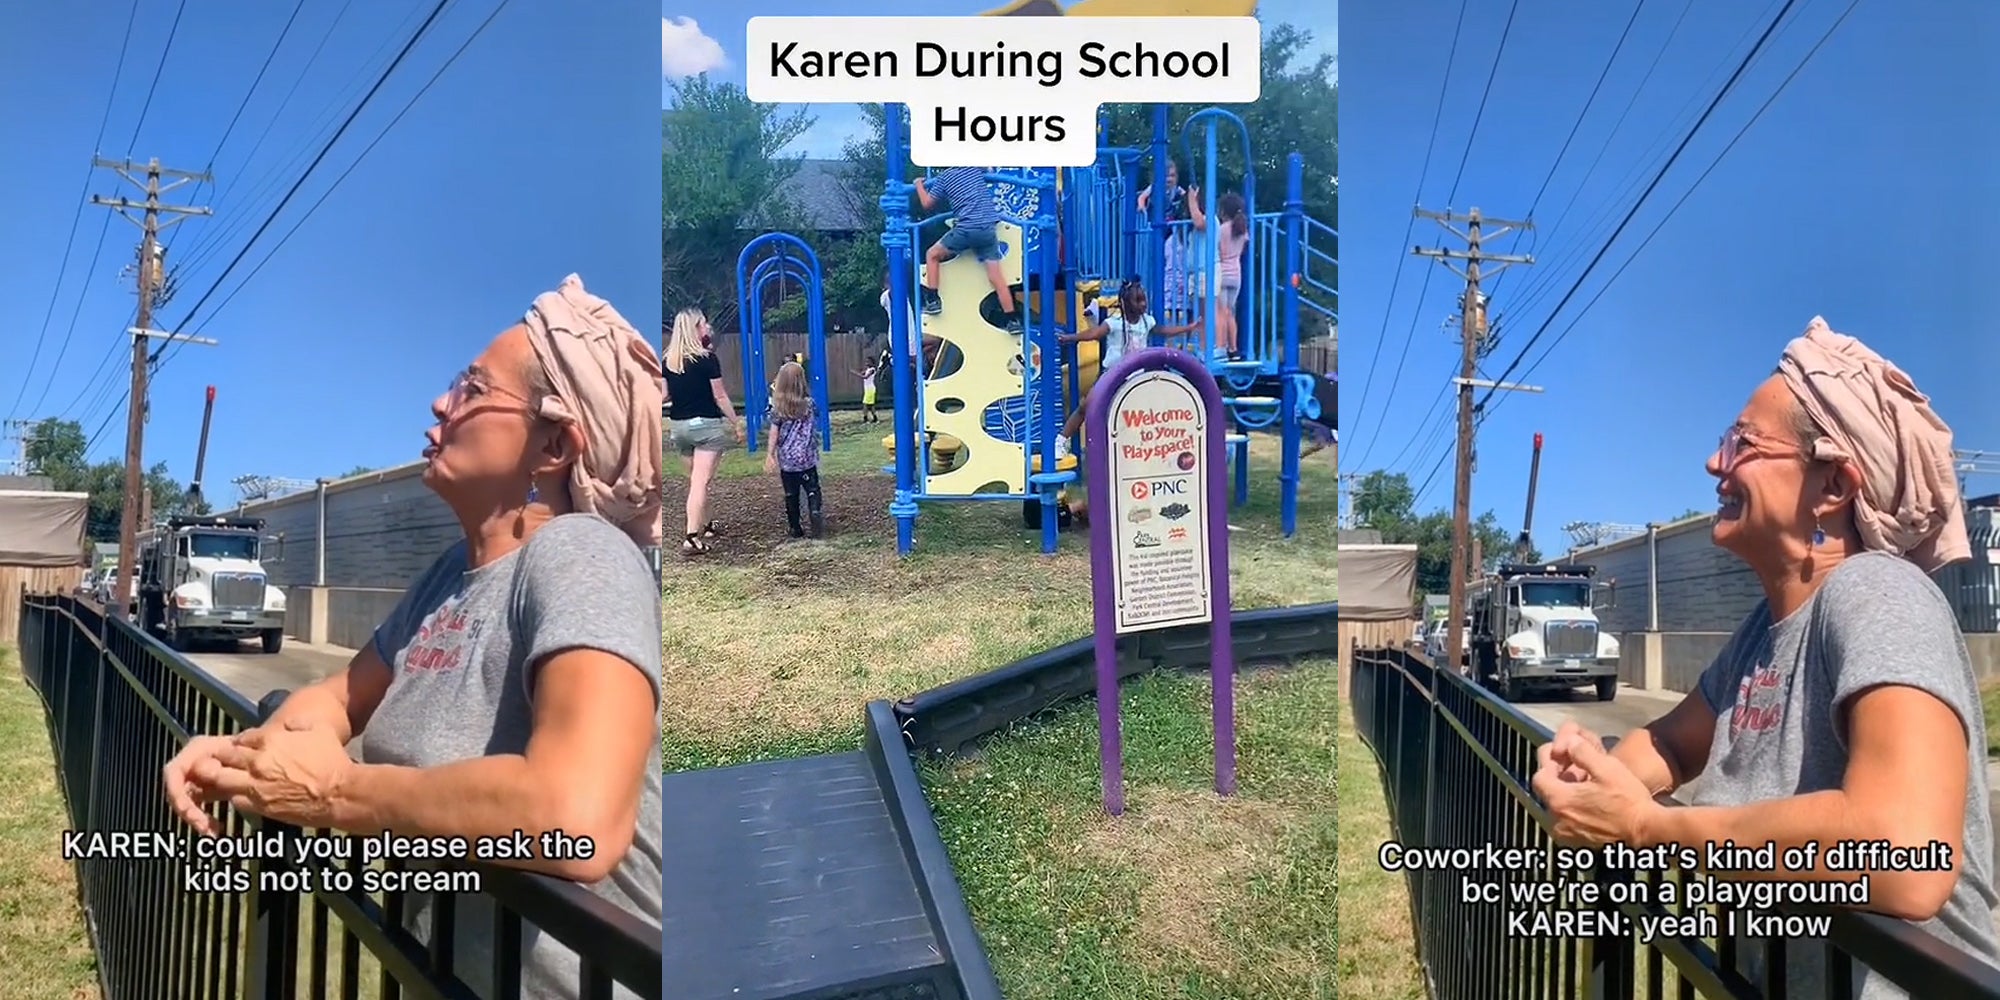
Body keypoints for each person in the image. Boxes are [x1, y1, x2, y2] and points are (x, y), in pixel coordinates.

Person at [160, 274, 665, 1000]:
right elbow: (336, 700)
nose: (440, 401)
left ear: (552, 445)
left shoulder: (585, 556)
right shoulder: (446, 580)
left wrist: (335, 794)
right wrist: (239, 756)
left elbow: (576, 818)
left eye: (471, 388)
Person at [1530, 317, 2000, 999]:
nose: (1715, 463)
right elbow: (1670, 741)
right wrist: (1591, 777)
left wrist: (1644, 826)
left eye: (1742, 443)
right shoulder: (1763, 631)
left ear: (1833, 487)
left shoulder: (1879, 593)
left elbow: (1906, 853)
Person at [1052, 277, 1204, 461]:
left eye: (1143, 299)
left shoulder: (1147, 322)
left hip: (1135, 377)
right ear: (1125, 303)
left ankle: (1147, 450)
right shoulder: (1114, 323)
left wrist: (1189, 327)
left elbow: (1163, 331)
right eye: (1138, 300)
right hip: (1112, 375)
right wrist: (1071, 338)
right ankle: (1061, 440)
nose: (1143, 304)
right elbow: (1094, 334)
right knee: (1086, 405)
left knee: (1141, 413)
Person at [663, 307, 743, 556]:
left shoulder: (668, 360)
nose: (708, 328)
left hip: (679, 428)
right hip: (706, 427)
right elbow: (719, 396)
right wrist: (736, 421)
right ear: (694, 329)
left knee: (697, 482)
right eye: (704, 324)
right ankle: (691, 538)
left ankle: (706, 526)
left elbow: (664, 395)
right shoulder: (707, 359)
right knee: (700, 483)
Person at [916, 167, 1022, 335]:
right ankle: (1013, 319)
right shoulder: (972, 168)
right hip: (988, 230)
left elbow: (927, 204)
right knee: (996, 277)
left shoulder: (944, 178)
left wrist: (919, 185)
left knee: (932, 254)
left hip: (966, 230)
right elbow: (990, 168)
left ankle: (933, 299)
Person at [764, 361, 826, 538]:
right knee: (812, 487)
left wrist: (770, 454)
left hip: (788, 461)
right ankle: (814, 509)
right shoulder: (810, 404)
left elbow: (774, 433)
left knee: (791, 494)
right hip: (807, 457)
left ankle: (795, 526)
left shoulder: (778, 409)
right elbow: (817, 418)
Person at [1192, 191, 1250, 359]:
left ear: (1223, 211)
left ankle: (1221, 346)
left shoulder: (1223, 229)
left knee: (1221, 311)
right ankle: (1234, 348)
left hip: (1223, 273)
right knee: (1230, 312)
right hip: (1236, 275)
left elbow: (1216, 249)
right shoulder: (1242, 230)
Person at [1135, 160, 1191, 325]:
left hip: (1172, 229)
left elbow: (1186, 196)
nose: (1169, 179)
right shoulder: (1154, 188)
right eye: (1166, 176)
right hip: (1157, 229)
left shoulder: (1178, 191)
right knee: (1157, 260)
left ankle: (1174, 297)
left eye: (1172, 176)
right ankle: (1158, 297)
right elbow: (1142, 197)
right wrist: (1141, 207)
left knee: (1174, 258)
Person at [853, 359, 881, 423]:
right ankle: (875, 418)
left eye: (868, 362)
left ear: (872, 363)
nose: (866, 363)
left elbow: (865, 377)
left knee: (865, 404)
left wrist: (856, 373)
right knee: (871, 405)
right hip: (868, 389)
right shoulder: (868, 369)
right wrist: (860, 372)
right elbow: (863, 373)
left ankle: (865, 419)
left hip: (870, 389)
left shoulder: (872, 370)